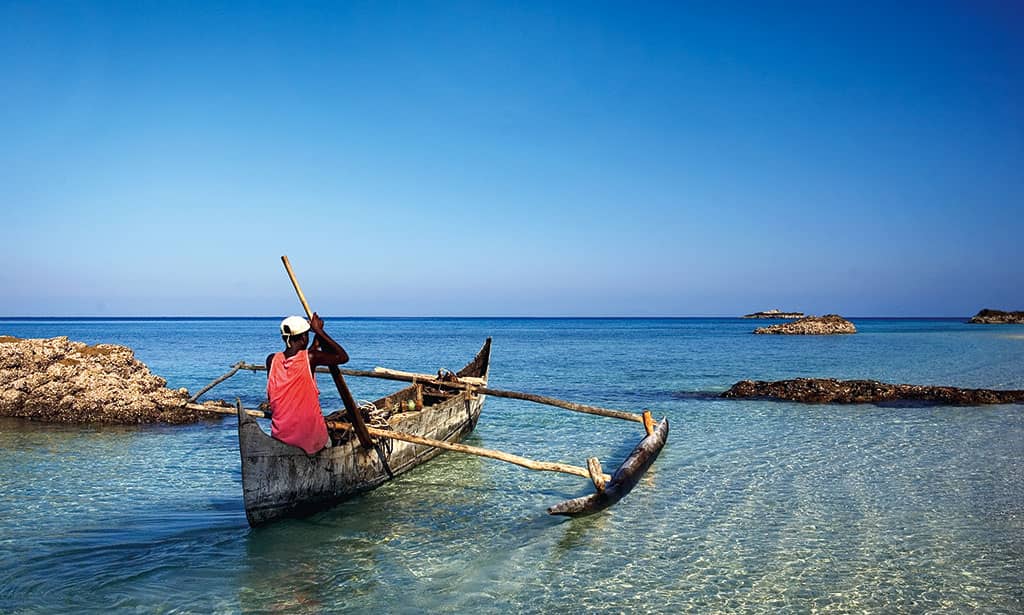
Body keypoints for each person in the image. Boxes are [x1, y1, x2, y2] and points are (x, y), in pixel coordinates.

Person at [265, 313, 349, 454]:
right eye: (306, 335)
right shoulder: (311, 358)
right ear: (304, 337)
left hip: (280, 438)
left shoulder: (271, 360)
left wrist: (316, 340)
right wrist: (320, 331)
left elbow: (302, 358)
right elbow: (343, 357)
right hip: (310, 440)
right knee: (331, 440)